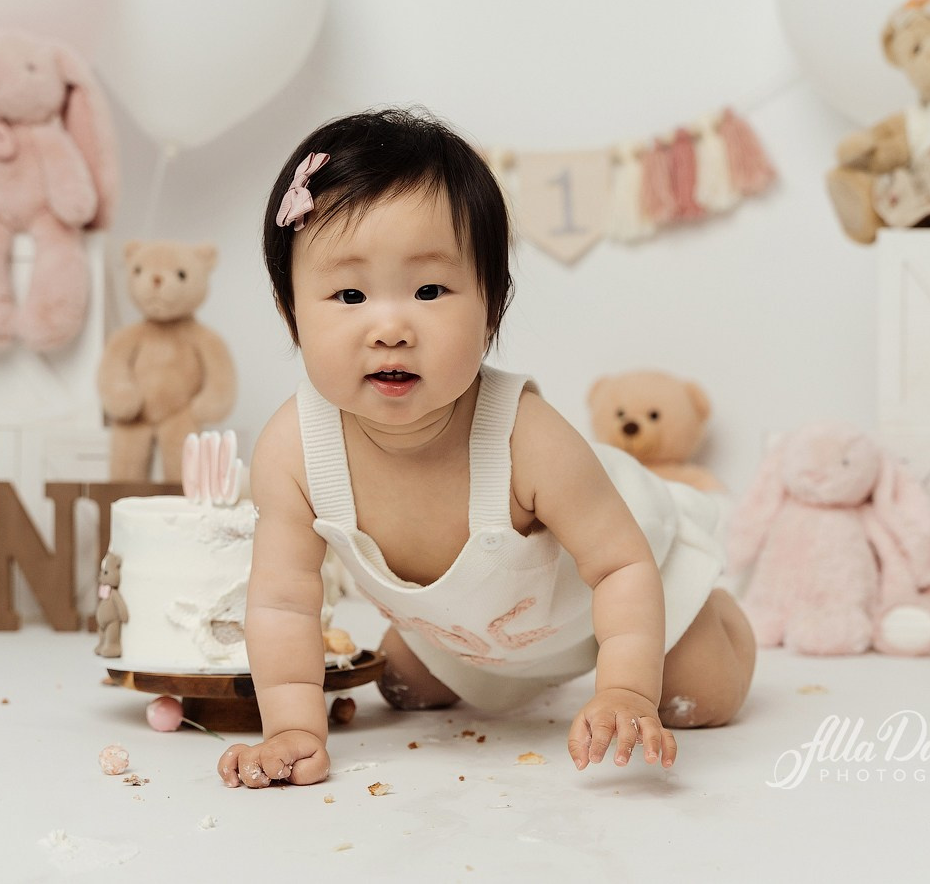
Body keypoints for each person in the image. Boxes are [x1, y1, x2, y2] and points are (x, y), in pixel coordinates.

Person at [218, 108, 754, 789]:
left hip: (621, 590)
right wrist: (292, 728)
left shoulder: (525, 436)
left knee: (704, 697)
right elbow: (284, 604)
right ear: (290, 308)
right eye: (349, 293)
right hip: (473, 631)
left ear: (492, 308)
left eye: (430, 290)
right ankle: (453, 655)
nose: (390, 327)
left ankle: (714, 614)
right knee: (404, 691)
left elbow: (620, 566)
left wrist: (626, 690)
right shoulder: (293, 450)